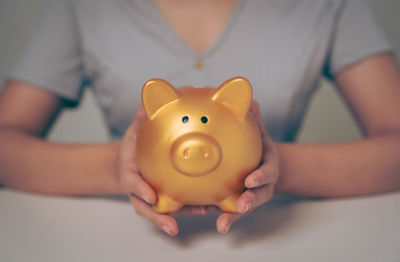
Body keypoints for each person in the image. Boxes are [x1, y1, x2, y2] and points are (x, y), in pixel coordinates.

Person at [0, 0, 399, 237]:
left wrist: (278, 166)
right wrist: (120, 166)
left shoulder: (328, 6)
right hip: (125, 244)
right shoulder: (85, 7)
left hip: (284, 240)